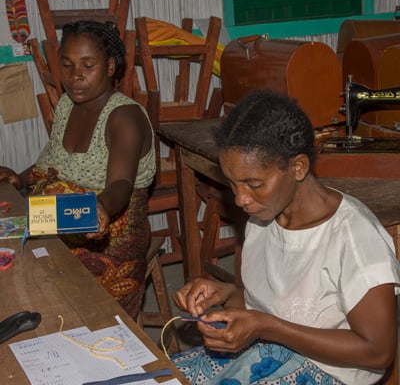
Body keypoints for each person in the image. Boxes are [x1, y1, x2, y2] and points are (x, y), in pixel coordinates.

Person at [171, 90, 400, 384]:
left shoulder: (353, 238)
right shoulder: (264, 217)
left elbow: (377, 352)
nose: (241, 199)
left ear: (298, 167)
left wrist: (265, 327)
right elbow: (266, 306)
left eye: (254, 184)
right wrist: (227, 294)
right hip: (267, 348)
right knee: (160, 376)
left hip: (328, 372)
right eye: (233, 184)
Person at [0, 20, 156, 319]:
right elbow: (52, 162)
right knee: (11, 264)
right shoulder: (68, 106)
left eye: (88, 65)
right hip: (57, 222)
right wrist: (18, 178)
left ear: (110, 67)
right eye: (68, 65)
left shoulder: (124, 117)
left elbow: (121, 183)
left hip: (105, 240)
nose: (76, 77)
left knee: (72, 312)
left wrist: (102, 208)